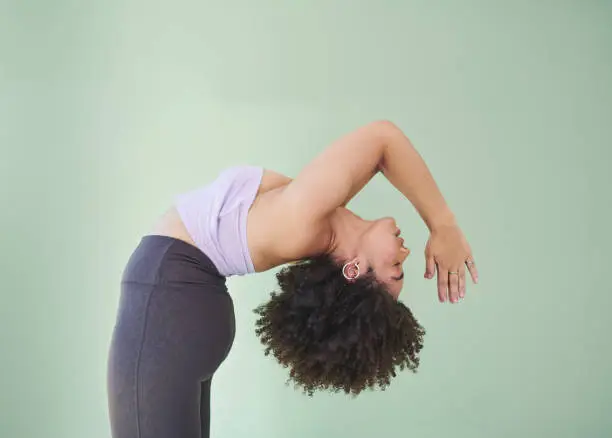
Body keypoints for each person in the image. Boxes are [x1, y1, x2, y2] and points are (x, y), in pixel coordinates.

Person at [106, 120, 478, 438]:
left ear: (353, 270)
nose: (405, 254)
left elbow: (382, 138)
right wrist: (441, 226)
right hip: (184, 303)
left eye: (395, 269)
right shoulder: (323, 215)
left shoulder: (304, 222)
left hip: (168, 297)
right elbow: (382, 151)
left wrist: (443, 224)